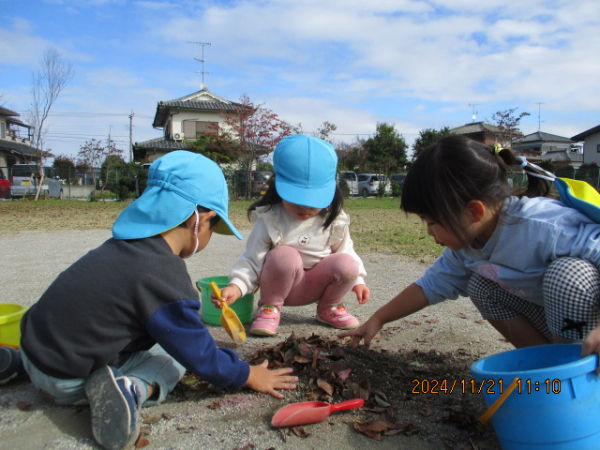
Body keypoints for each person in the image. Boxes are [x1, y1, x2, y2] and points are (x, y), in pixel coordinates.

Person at [14, 151, 297, 450]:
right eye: (214, 227)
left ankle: (20, 366)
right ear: (199, 220)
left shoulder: (116, 248)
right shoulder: (163, 274)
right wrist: (247, 374)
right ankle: (131, 391)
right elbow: (198, 354)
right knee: (173, 358)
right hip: (64, 380)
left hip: (33, 349)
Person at [341, 135, 600, 358]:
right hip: (559, 323)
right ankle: (545, 365)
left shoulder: (544, 225)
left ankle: (576, 371)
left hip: (590, 322)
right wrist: (378, 318)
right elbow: (430, 285)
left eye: (432, 222)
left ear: (473, 211)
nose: (430, 233)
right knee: (481, 285)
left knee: (568, 274)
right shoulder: (468, 245)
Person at [218, 135, 370, 336]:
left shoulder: (334, 219)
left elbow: (346, 251)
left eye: (314, 199)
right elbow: (253, 259)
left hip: (319, 286)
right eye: (296, 197)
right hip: (280, 287)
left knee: (347, 263)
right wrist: (236, 286)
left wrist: (358, 280)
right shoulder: (271, 218)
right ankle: (270, 308)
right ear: (277, 185)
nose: (304, 206)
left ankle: (329, 307)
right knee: (284, 255)